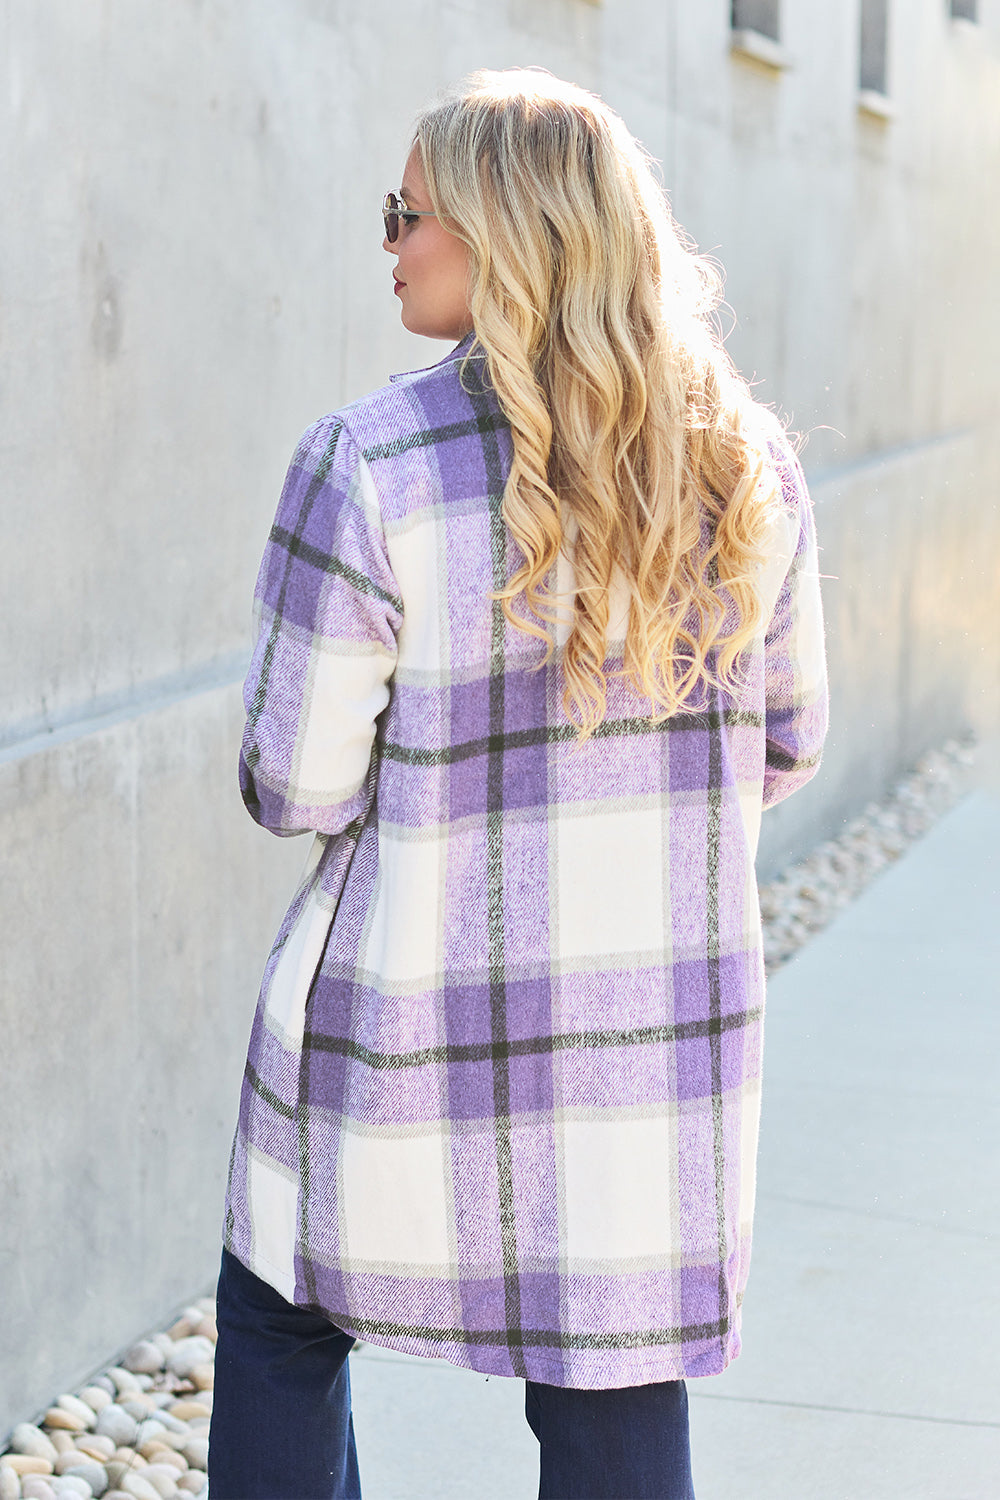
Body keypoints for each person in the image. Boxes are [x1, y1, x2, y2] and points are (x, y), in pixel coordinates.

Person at [208, 67, 828, 1500]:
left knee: (284, 1321)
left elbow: (292, 786)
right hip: (645, 1062)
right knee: (614, 1391)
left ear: (500, 232)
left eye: (404, 212)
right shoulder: (748, 472)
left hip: (397, 1036)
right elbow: (787, 743)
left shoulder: (365, 465)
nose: (390, 244)